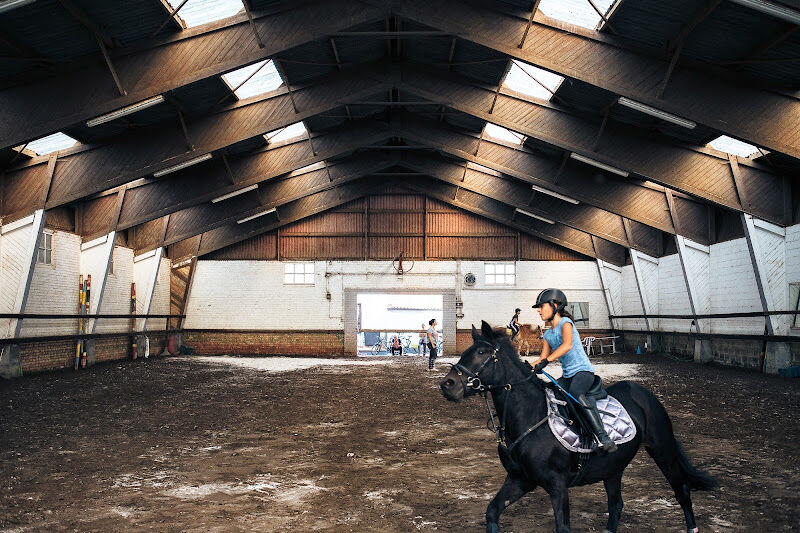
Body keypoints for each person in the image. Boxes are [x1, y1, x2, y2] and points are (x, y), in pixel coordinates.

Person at [531, 289, 617, 454]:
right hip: (568, 376)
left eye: (541, 306)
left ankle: (603, 437)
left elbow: (567, 345)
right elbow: (542, 357)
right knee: (553, 395)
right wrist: (528, 368)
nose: (539, 310)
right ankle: (577, 430)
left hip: (583, 372)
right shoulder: (548, 334)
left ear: (555, 306)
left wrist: (546, 361)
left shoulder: (565, 323)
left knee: (576, 393)